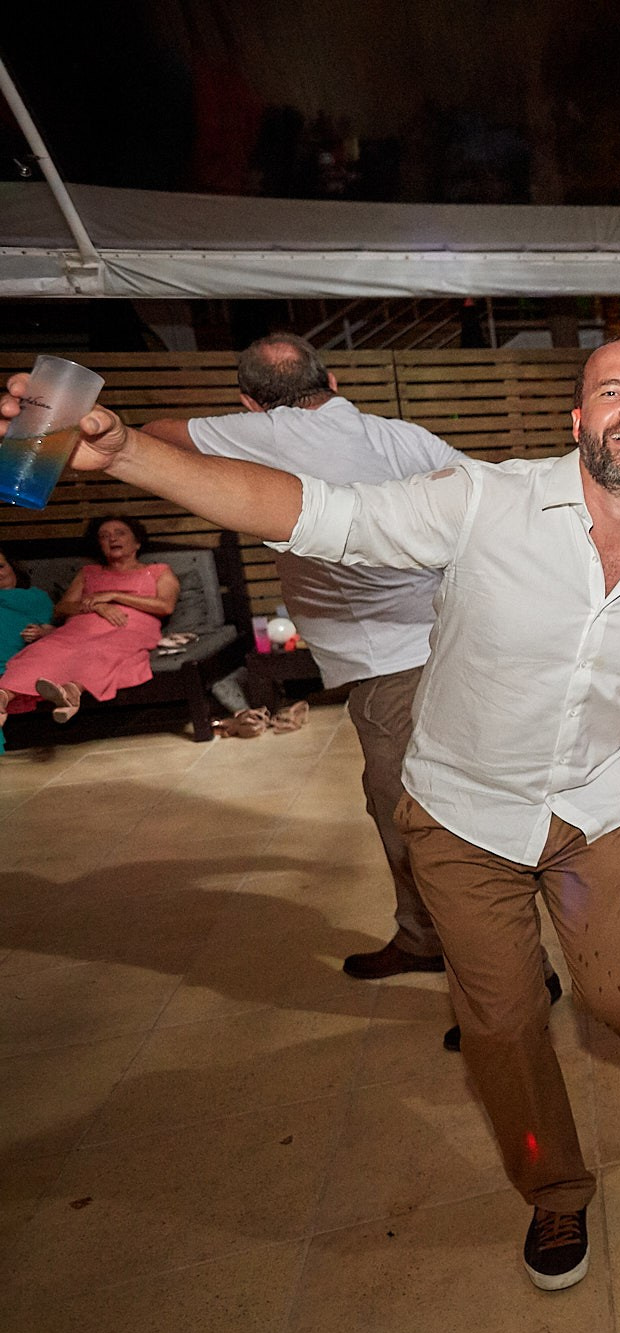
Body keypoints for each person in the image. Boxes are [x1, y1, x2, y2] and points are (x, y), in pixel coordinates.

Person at [4, 336, 620, 1293]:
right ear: (579, 419)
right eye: (611, 391)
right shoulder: (483, 499)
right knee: (503, 1024)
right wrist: (130, 451)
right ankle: (552, 1186)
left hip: (593, 815)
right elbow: (316, 513)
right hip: (463, 818)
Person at [142, 333, 478, 988]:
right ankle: (425, 936)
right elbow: (481, 508)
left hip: (398, 666)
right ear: (335, 377)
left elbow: (155, 434)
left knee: (426, 824)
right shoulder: (403, 437)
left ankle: (497, 977)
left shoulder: (275, 434)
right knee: (404, 808)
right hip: (444, 642)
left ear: (250, 403)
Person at [0, 515, 179, 732]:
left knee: (98, 649)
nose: (112, 539)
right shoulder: (89, 573)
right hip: (79, 629)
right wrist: (96, 606)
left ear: (137, 542)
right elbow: (62, 608)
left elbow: (165, 606)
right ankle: (3, 698)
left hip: (127, 628)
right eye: (104, 536)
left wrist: (114, 595)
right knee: (43, 649)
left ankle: (71, 693)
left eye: (119, 533)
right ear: (99, 545)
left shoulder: (159, 570)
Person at [0, 548, 54, 753]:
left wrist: (41, 632)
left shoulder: (36, 598)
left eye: (1, 566)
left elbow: (58, 635)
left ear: (13, 569)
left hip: (17, 665)